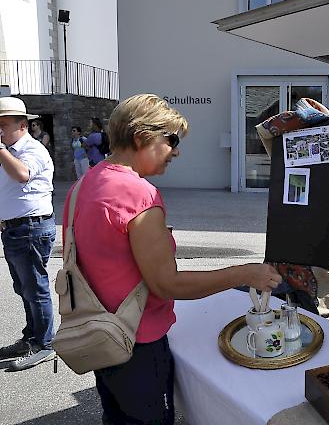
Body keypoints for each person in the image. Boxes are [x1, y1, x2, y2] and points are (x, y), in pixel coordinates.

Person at [62, 94, 281, 424]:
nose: (176, 150)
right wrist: (244, 273)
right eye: (172, 140)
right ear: (141, 138)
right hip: (138, 345)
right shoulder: (139, 194)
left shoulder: (84, 184)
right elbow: (167, 284)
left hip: (101, 334)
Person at [0, 97, 56, 371]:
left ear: (22, 125)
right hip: (15, 229)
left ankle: (44, 344)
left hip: (30, 228)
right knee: (24, 288)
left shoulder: (31, 150)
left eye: (3, 125)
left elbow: (22, 175)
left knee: (34, 288)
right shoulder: (8, 151)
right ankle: (31, 338)